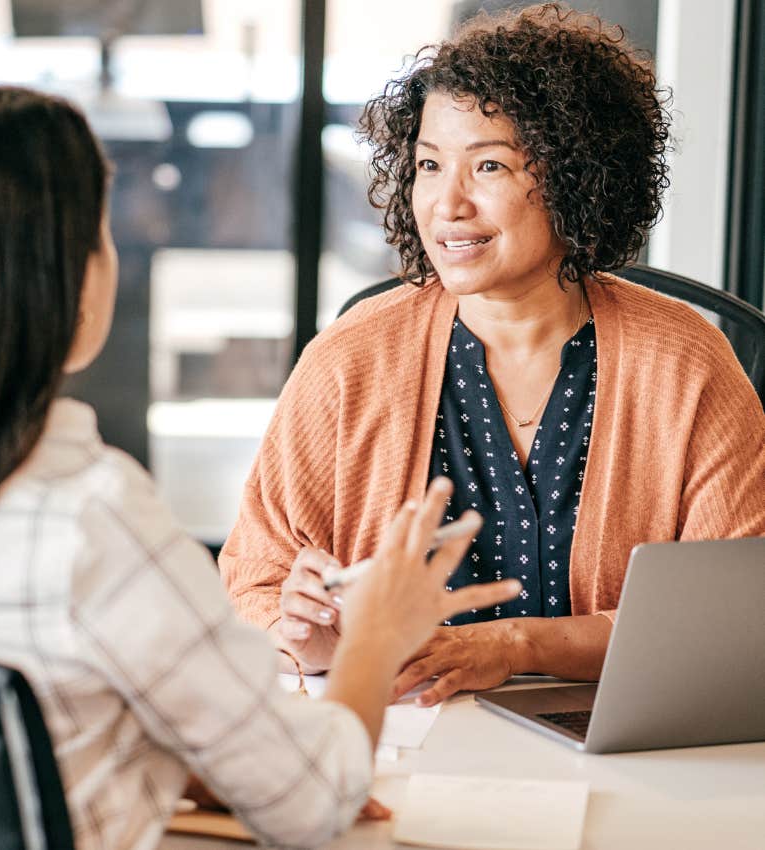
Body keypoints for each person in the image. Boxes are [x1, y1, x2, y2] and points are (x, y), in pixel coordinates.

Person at [0, 85, 521, 850]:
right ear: (68, 283)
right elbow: (309, 802)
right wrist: (376, 636)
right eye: (103, 234)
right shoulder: (92, 516)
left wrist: (186, 760)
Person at [219, 3, 765, 707]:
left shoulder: (686, 363)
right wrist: (309, 634)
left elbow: (734, 618)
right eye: (428, 165)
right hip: (400, 731)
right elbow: (256, 584)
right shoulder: (350, 359)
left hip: (614, 743)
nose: (447, 203)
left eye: (489, 165)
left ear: (575, 175)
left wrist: (516, 646)